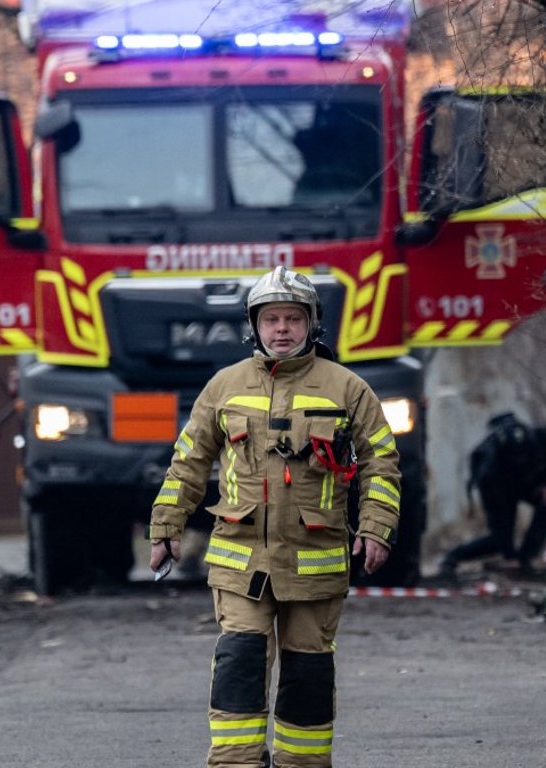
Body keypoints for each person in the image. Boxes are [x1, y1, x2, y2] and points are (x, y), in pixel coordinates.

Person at [149, 266, 400, 768]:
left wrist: (376, 528)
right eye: (271, 319)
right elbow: (188, 463)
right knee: (239, 663)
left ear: (312, 324)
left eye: (292, 318)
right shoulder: (224, 386)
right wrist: (166, 527)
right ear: (254, 326)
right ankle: (236, 762)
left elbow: (382, 463)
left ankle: (302, 764)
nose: (281, 328)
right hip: (241, 561)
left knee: (308, 675)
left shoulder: (348, 389)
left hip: (315, 562)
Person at [439, 412, 546, 576]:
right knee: (500, 540)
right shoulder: (489, 466)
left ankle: (525, 558)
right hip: (498, 489)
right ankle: (454, 556)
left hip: (528, 482)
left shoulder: (542, 438)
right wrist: (508, 552)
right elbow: (491, 494)